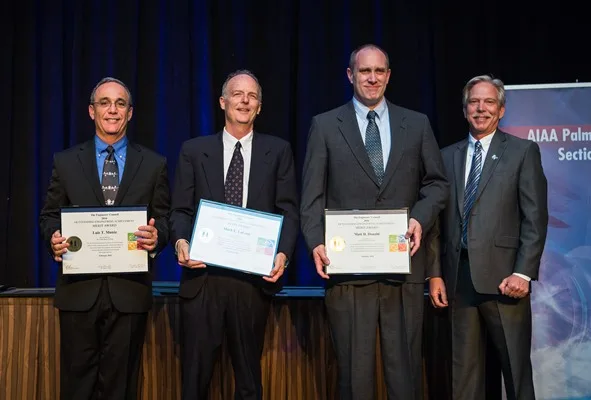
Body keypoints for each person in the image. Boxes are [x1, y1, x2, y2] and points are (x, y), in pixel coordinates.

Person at [300, 44, 449, 400]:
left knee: (406, 377)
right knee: (354, 379)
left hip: (403, 269)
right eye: (364, 71)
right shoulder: (325, 125)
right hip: (348, 272)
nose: (372, 78)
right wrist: (315, 241)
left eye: (379, 71)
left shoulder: (416, 124)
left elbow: (437, 185)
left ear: (388, 76)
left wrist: (419, 218)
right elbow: (311, 196)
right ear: (350, 75)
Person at [170, 70, 299, 400]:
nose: (245, 101)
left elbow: (288, 210)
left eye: (252, 96)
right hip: (203, 280)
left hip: (251, 283)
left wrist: (282, 254)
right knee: (194, 382)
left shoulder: (278, 151)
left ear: (259, 107)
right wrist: (182, 242)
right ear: (222, 102)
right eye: (238, 94)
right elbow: (180, 210)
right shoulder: (194, 150)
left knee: (249, 383)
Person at [39, 77, 171, 399]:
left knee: (121, 388)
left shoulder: (154, 164)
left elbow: (164, 219)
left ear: (130, 113)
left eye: (120, 103)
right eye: (104, 103)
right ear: (91, 111)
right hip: (78, 292)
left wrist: (158, 237)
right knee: (76, 388)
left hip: (129, 293)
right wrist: (52, 237)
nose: (112, 110)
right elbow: (49, 216)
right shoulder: (65, 161)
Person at [429, 74, 548, 400]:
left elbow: (535, 218)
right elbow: (436, 223)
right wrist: (435, 274)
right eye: (474, 102)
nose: (481, 108)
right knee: (463, 379)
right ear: (465, 109)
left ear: (501, 110)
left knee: (516, 374)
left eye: (489, 102)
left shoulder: (523, 152)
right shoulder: (445, 156)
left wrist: (523, 272)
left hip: (505, 281)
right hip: (457, 281)